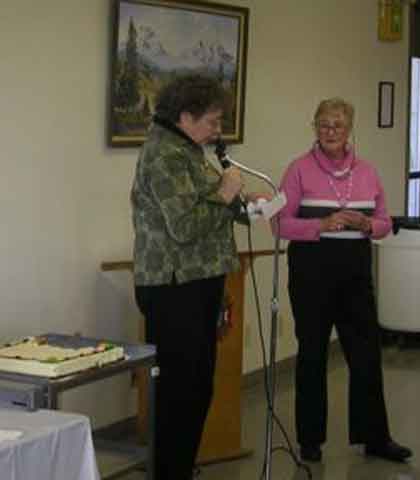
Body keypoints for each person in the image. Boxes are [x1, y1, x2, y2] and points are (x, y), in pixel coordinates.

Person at [131, 75, 265, 480]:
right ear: (185, 117)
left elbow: (204, 204)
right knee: (180, 392)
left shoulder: (187, 150)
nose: (218, 130)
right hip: (174, 288)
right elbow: (185, 227)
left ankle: (181, 467)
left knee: (198, 387)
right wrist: (225, 194)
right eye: (212, 121)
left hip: (199, 281)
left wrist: (244, 203)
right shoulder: (164, 156)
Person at [276, 97, 412, 463]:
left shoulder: (367, 171)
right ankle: (310, 440)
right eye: (323, 124)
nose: (330, 131)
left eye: (337, 125)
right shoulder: (299, 170)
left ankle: (375, 438)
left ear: (350, 130)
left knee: (366, 355)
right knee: (312, 355)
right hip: (311, 272)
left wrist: (367, 224)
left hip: (355, 271)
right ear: (315, 128)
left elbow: (385, 223)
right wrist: (320, 225)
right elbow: (280, 224)